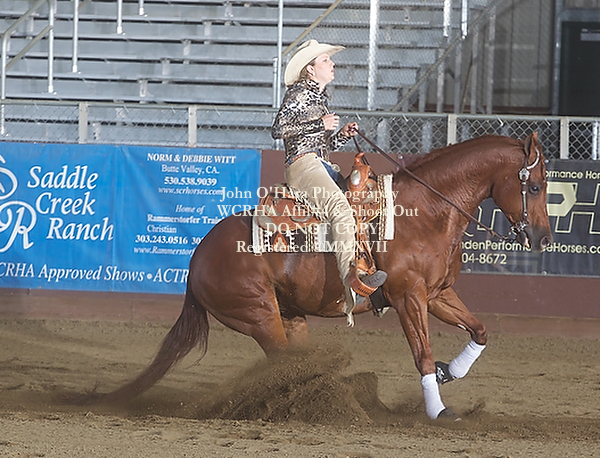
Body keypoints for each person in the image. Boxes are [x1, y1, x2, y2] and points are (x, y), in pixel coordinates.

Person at [271, 39, 386, 324]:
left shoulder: (320, 98)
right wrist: (319, 125)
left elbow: (319, 144)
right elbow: (278, 129)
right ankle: (353, 281)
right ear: (310, 69)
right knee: (340, 208)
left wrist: (341, 136)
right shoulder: (298, 93)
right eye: (325, 60)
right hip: (302, 166)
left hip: (319, 164)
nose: (332, 64)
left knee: (363, 203)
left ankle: (368, 269)